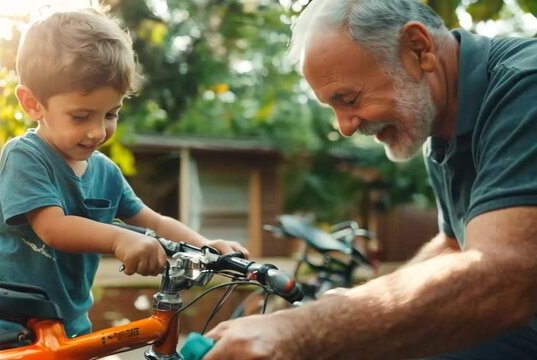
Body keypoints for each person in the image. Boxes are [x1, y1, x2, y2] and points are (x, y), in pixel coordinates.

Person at [203, 0, 537, 359]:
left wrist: (302, 331)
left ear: (418, 49)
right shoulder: (440, 131)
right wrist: (355, 303)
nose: (345, 127)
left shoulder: (524, 87)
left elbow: (504, 277)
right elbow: (454, 246)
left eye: (348, 99)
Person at [0, 7, 248, 355]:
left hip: (70, 322)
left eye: (111, 113)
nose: (98, 130)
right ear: (33, 104)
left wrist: (207, 245)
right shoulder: (26, 156)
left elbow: (153, 221)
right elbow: (53, 228)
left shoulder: (105, 171)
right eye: (80, 116)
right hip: (13, 325)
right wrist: (120, 239)